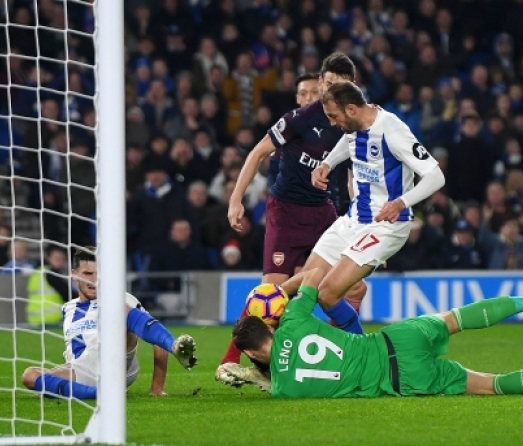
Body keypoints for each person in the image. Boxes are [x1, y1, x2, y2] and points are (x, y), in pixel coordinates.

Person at [220, 269, 523, 398]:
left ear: (252, 354)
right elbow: (315, 275)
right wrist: (284, 293)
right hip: (395, 340)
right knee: (458, 317)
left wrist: (259, 377)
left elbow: (279, 378)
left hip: (402, 380)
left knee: (493, 385)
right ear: (272, 321)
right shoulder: (295, 318)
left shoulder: (285, 388)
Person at [219, 54, 367, 377]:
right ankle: (232, 361)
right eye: (325, 84)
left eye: (336, 85)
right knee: (270, 295)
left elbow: (357, 173)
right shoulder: (300, 119)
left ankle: (340, 352)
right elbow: (258, 151)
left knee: (355, 288)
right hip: (285, 212)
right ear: (322, 84)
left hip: (323, 211)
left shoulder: (353, 123)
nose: (328, 91)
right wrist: (235, 199)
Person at [309, 81, 445, 326]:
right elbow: (348, 140)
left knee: (327, 293)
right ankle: (333, 350)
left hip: (386, 224)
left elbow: (436, 176)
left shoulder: (392, 130)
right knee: (308, 285)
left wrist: (400, 203)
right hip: (354, 218)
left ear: (351, 110)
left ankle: (362, 355)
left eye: (334, 116)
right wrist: (328, 163)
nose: (332, 123)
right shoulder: (357, 122)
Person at [21, 247, 198, 400]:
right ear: (74, 275)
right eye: (88, 274)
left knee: (118, 307)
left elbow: (154, 334)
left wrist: (157, 389)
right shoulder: (68, 308)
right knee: (30, 375)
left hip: (118, 365)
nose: (94, 280)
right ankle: (96, 392)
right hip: (81, 370)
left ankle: (173, 344)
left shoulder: (121, 299)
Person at [26, 244, 71, 325]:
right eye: (57, 258)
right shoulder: (52, 274)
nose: (60, 261)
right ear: (49, 258)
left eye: (62, 259)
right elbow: (67, 294)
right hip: (52, 318)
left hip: (33, 319)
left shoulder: (38, 272)